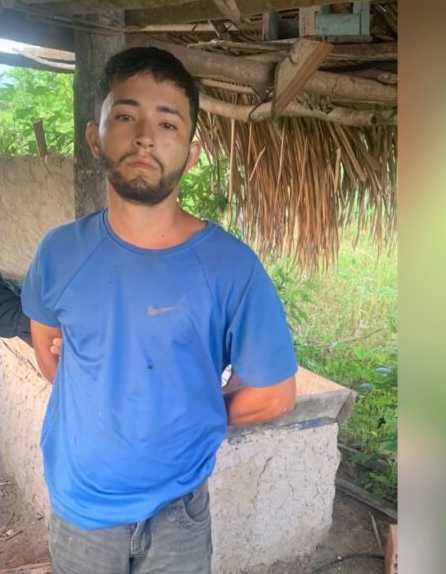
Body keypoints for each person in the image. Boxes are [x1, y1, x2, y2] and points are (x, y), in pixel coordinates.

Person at [21, 46, 298, 574]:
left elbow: (273, 394)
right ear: (95, 137)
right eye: (125, 115)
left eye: (168, 123)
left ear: (191, 154)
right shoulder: (60, 253)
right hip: (81, 511)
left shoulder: (230, 268)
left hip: (178, 516)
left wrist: (183, 422)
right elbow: (49, 351)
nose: (146, 136)